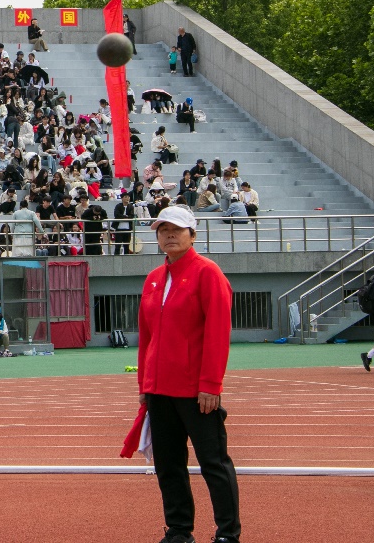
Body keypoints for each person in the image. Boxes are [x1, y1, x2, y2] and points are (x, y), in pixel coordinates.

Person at [133, 205, 240, 543]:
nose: (169, 235)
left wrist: (210, 384)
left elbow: (218, 333)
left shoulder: (208, 273)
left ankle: (227, 534)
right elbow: (146, 337)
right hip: (159, 389)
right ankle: (179, 530)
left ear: (192, 235)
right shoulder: (153, 278)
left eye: (176, 229)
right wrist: (144, 384)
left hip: (196, 391)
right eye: (163, 230)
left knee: (213, 463)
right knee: (168, 465)